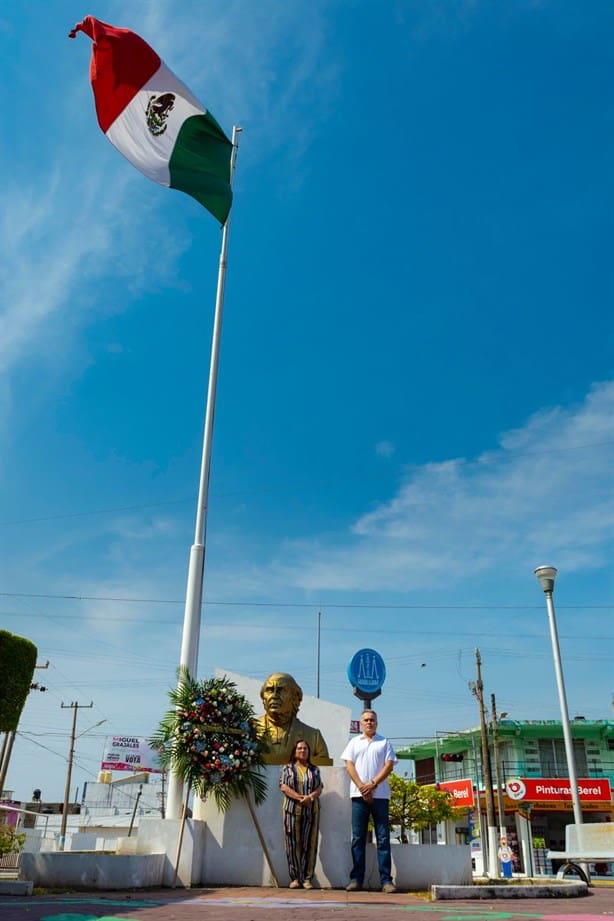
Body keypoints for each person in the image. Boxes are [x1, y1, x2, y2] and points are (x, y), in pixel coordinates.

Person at [341, 709, 397, 893]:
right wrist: (361, 786)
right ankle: (356, 879)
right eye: (366, 720)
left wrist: (372, 784)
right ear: (361, 723)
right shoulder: (353, 742)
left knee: (383, 838)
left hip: (380, 796)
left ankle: (386, 881)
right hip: (358, 797)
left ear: (377, 722)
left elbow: (389, 765)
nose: (369, 722)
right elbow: (349, 765)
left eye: (372, 720)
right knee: (357, 838)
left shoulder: (384, 742)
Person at [255, 672, 331, 765]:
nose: (274, 695)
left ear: (295, 697)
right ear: (263, 697)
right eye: (269, 690)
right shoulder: (248, 731)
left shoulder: (314, 737)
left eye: (281, 690)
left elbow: (324, 774)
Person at [279, 739, 323, 889]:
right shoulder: (287, 769)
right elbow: (283, 786)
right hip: (291, 809)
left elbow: (319, 788)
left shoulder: (315, 770)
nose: (302, 751)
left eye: (305, 748)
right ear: (294, 752)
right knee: (291, 843)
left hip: (311, 810)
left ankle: (307, 878)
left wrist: (309, 798)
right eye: (299, 748)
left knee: (309, 844)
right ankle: (295, 878)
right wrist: (299, 798)